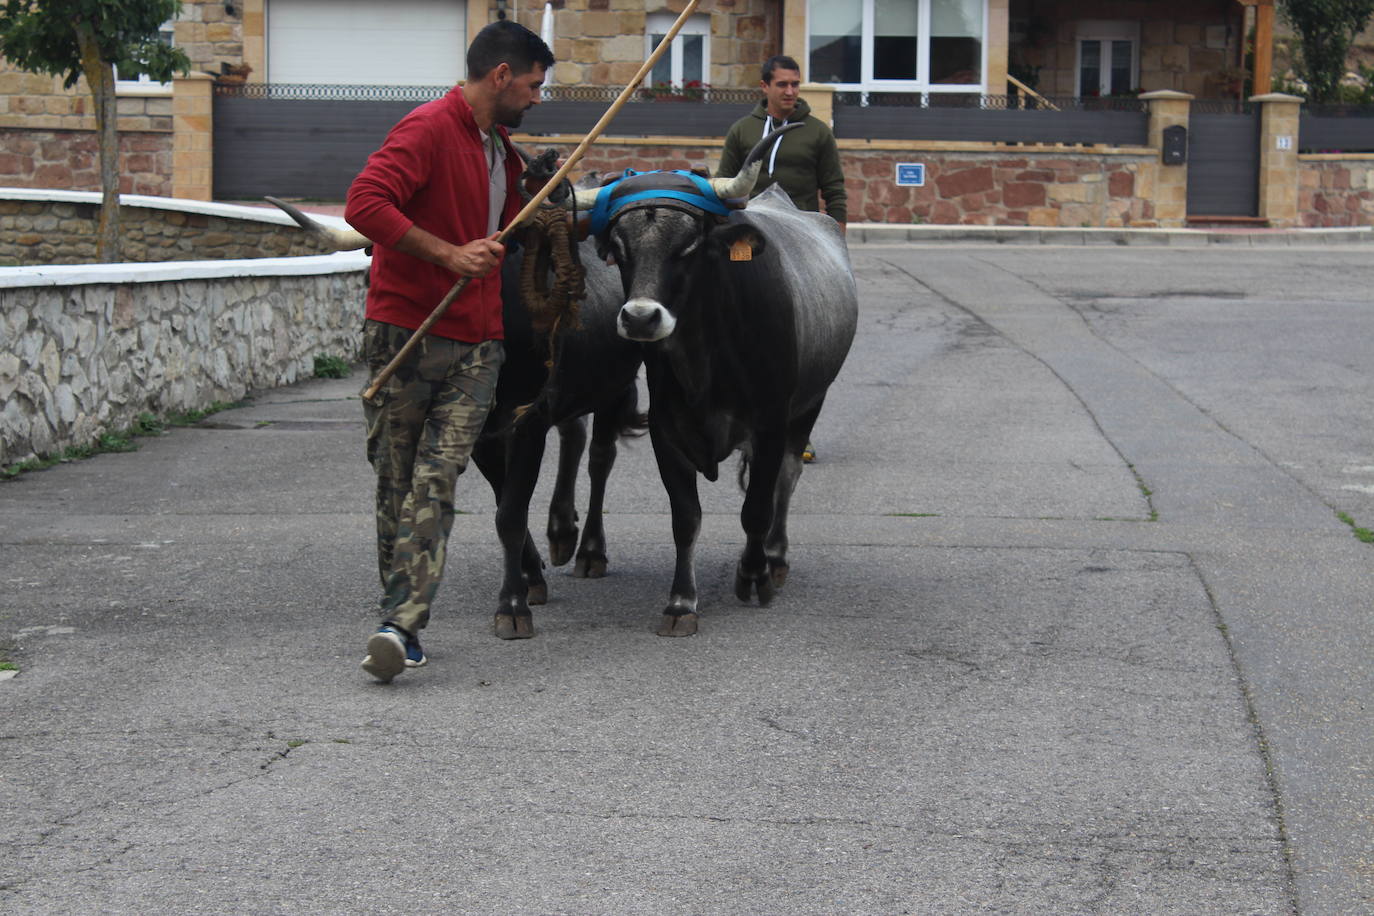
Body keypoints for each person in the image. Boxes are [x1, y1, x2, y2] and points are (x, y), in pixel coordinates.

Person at [344, 20, 554, 683]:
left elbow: (528, 220)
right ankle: (398, 618)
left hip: (477, 346)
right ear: (500, 76)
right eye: (532, 84)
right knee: (396, 485)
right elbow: (364, 203)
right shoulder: (426, 129)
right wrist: (448, 252)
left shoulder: (503, 150)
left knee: (436, 482)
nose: (537, 98)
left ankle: (401, 624)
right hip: (405, 337)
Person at [718, 54, 846, 462]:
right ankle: (740, 419)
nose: (791, 91)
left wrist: (836, 241)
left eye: (796, 84)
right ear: (765, 87)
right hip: (749, 241)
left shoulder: (817, 133)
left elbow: (835, 190)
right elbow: (724, 187)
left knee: (807, 333)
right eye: (783, 85)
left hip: (803, 242)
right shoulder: (743, 131)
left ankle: (798, 428)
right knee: (737, 317)